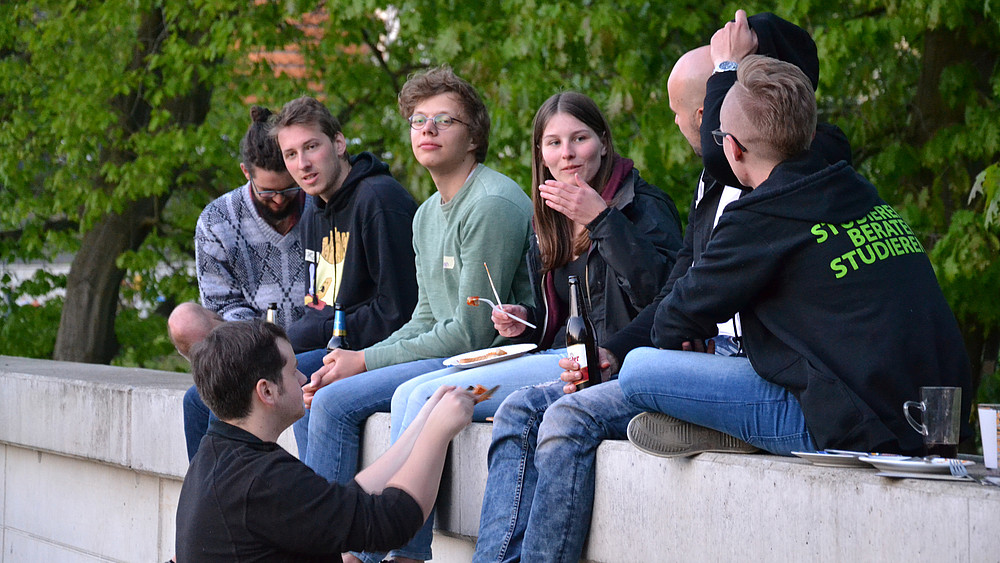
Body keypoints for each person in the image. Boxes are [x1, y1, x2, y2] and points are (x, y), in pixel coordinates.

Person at [621, 54, 972, 458]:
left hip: (855, 428)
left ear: (732, 148)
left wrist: (687, 336)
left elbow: (672, 319)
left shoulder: (761, 216)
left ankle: (741, 432)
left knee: (638, 371)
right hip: (939, 421)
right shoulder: (855, 188)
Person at [386, 91, 682, 562]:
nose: (566, 154)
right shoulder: (550, 213)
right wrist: (523, 322)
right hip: (562, 360)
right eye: (553, 143)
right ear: (539, 154)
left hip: (621, 365)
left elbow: (665, 295)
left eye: (579, 139)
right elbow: (558, 318)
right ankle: (398, 550)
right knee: (428, 394)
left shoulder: (641, 205)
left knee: (472, 403)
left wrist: (602, 221)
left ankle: (413, 554)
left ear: (603, 143)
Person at [295, 66, 534, 563]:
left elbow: (469, 333)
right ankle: (344, 548)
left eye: (443, 120)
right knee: (321, 389)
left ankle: (384, 552)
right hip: (448, 355)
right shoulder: (427, 214)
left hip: (490, 359)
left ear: (473, 138)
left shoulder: (491, 203)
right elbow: (425, 317)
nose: (426, 130)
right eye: (418, 120)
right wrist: (360, 354)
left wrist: (363, 362)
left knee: (337, 402)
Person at [175, 319, 475, 562]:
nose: (304, 378)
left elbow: (343, 503)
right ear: (266, 391)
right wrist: (438, 433)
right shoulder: (264, 480)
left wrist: (419, 426)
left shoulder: (215, 456)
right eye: (293, 371)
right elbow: (394, 521)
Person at [167, 105, 313, 460]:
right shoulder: (217, 220)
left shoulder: (318, 205)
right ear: (246, 172)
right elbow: (222, 308)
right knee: (197, 401)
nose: (279, 199)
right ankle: (209, 497)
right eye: (267, 192)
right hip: (253, 352)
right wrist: (269, 349)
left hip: (316, 346)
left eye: (289, 189)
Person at [271, 96, 419, 366]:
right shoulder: (312, 214)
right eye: (291, 154)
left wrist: (312, 331)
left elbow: (397, 312)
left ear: (339, 144)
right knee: (203, 393)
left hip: (374, 353)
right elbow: (316, 304)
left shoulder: (380, 201)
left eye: (311, 147)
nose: (302, 164)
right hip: (327, 346)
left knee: (259, 385)